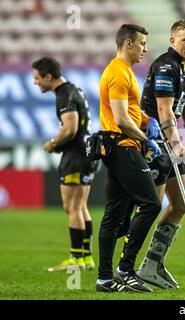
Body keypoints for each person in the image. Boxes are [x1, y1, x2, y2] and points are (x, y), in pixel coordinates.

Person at [137, 19, 185, 289]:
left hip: (170, 141)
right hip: (153, 141)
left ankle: (151, 265)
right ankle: (125, 268)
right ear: (173, 41)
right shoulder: (165, 66)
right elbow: (164, 110)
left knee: (182, 204)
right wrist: (175, 141)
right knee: (150, 206)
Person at [96, 24, 162, 293]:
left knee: (114, 214)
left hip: (119, 146)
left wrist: (148, 120)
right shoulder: (117, 73)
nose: (146, 48)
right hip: (123, 146)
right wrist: (148, 140)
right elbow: (122, 120)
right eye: (142, 43)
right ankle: (125, 269)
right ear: (128, 44)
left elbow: (130, 111)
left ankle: (104, 279)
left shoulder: (126, 72)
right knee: (151, 204)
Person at [32, 57, 97, 273]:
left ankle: (76, 259)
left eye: (37, 78)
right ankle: (86, 258)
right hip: (86, 153)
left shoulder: (64, 95)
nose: (35, 82)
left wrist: (52, 143)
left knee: (72, 208)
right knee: (81, 207)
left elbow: (70, 128)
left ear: (48, 77)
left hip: (75, 156)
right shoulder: (74, 89)